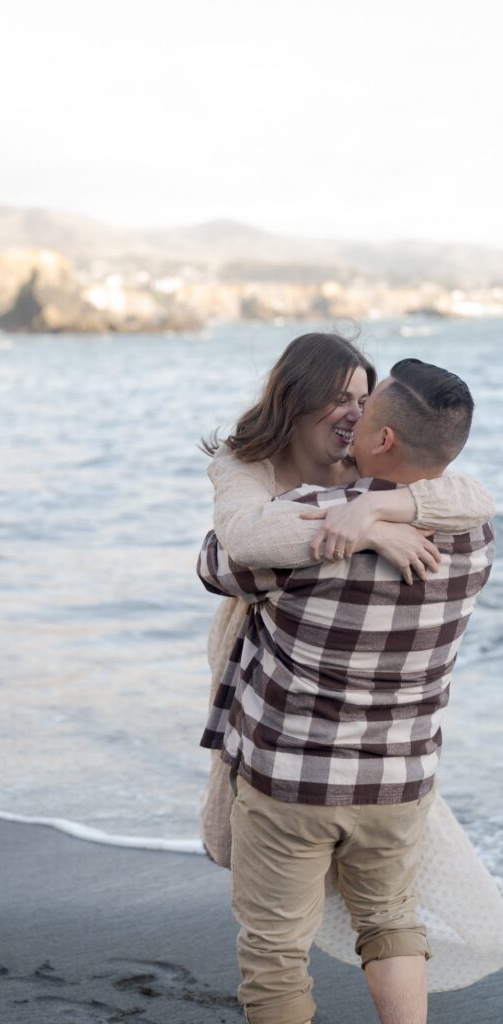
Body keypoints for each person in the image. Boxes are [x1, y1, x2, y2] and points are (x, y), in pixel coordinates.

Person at [198, 358, 497, 1024]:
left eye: (367, 407)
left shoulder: (310, 521)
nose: (354, 417)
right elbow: (472, 495)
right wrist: (382, 512)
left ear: (384, 439)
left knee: (274, 950)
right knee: (391, 922)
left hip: (291, 781)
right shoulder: (474, 536)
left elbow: (218, 565)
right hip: (400, 780)